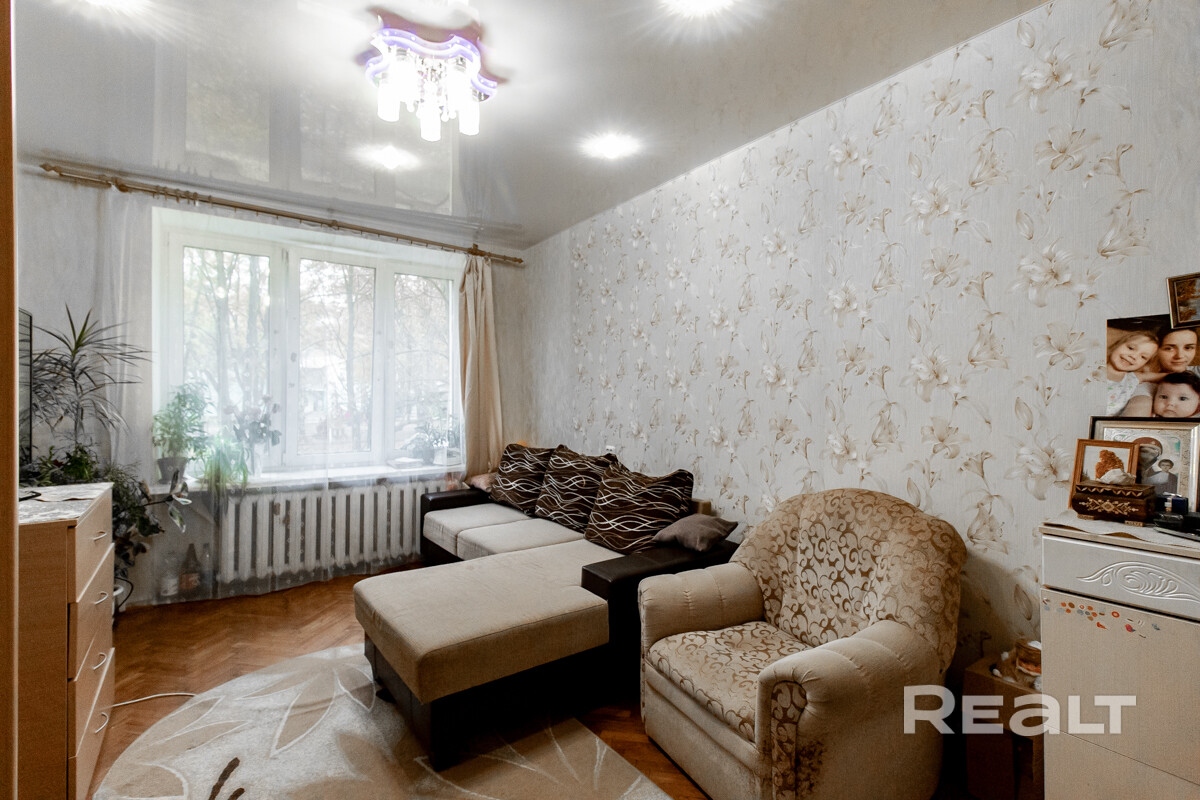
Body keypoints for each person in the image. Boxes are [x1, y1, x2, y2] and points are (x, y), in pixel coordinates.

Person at [1121, 327, 1200, 416]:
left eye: (1188, 348)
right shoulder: (1145, 385)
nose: (1180, 356)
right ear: (1155, 350)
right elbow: (1135, 418)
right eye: (1169, 348)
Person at [1106, 331, 1158, 415]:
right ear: (1117, 345)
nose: (1133, 356)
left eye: (1143, 357)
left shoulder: (1133, 378)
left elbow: (1170, 375)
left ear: (1145, 364)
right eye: (1131, 348)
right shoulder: (1092, 367)